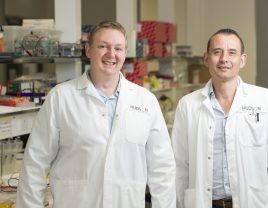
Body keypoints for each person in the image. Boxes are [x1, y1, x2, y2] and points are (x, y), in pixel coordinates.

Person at [16, 20, 176, 208]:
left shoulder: (146, 101)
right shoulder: (61, 97)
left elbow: (162, 169)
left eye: (118, 48)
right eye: (103, 46)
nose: (111, 54)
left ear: (125, 53)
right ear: (88, 50)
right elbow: (34, 165)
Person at [172, 28, 268, 208]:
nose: (224, 59)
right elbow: (179, 165)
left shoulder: (265, 100)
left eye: (232, 53)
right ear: (206, 58)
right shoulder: (188, 105)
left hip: (253, 203)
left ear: (242, 60)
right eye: (217, 52)